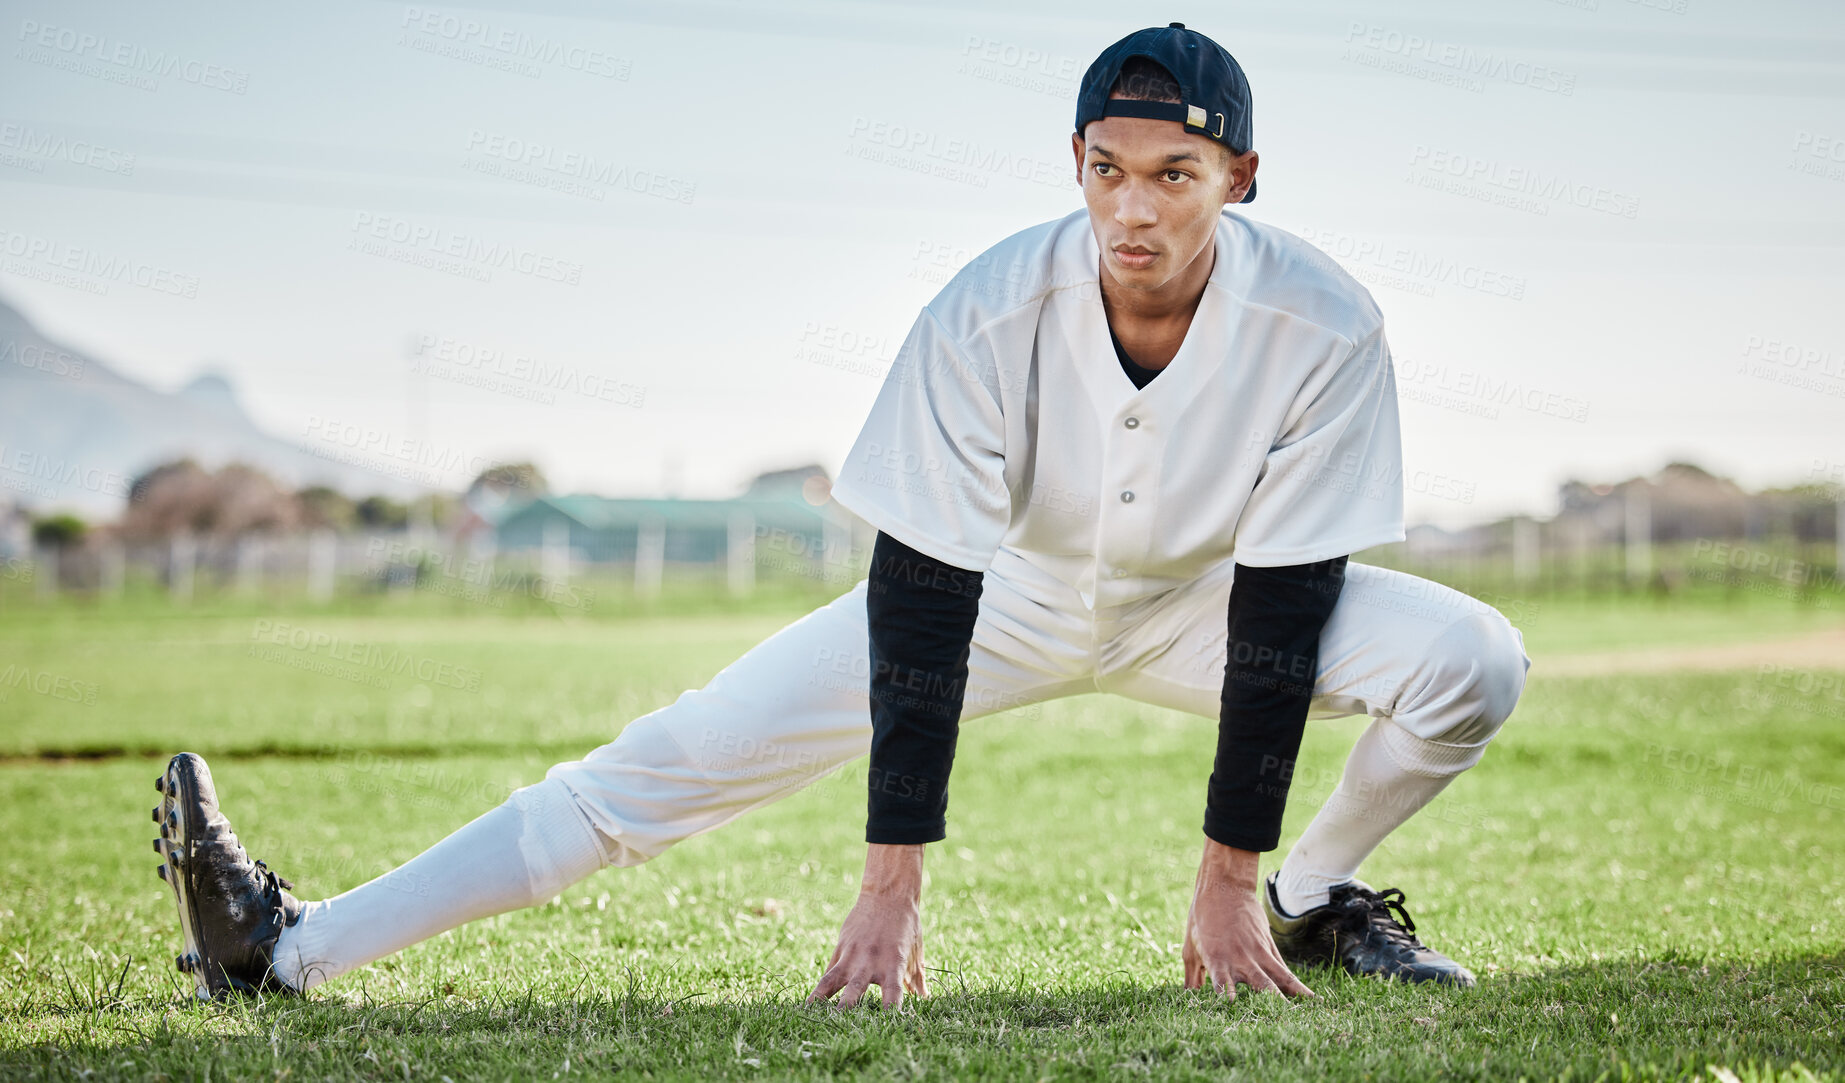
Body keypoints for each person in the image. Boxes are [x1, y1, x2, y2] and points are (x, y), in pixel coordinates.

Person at [152, 22, 1530, 1007]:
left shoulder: (1324, 320)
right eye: (1107, 168)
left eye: (1174, 173)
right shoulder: (988, 306)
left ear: (1239, 180)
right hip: (995, 604)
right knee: (661, 764)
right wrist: (891, 883)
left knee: (1469, 662)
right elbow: (925, 596)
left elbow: (1287, 603)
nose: (1133, 206)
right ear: (1073, 163)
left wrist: (1229, 876)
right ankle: (285, 948)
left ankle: (1312, 896)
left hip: (1210, 613)